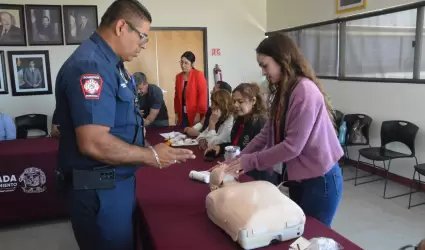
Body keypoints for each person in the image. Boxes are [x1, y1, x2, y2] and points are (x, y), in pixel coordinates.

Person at [54, 1, 195, 250]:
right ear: (121, 27)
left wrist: (147, 147)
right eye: (142, 36)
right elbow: (93, 142)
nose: (144, 44)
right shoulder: (91, 66)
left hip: (114, 183)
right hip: (100, 188)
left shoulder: (113, 65)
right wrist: (149, 155)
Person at [219, 34, 344, 227]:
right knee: (294, 234)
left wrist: (249, 161)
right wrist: (240, 158)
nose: (263, 72)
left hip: (321, 182)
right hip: (299, 179)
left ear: (282, 60)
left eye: (265, 65)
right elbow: (266, 133)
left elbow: (292, 147)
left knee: (311, 237)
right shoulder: (285, 90)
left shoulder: (304, 91)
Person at [205, 83, 273, 182]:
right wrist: (220, 147)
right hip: (239, 168)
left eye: (240, 102)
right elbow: (237, 146)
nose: (235, 105)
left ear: (253, 101)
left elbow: (258, 154)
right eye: (234, 101)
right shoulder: (240, 119)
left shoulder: (261, 122)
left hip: (256, 176)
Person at [174, 51, 207, 128]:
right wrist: (176, 113)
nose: (183, 65)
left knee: (193, 134)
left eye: (186, 63)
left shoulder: (199, 75)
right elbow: (176, 97)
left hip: (195, 112)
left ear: (192, 64)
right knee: (182, 133)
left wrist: (198, 114)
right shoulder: (178, 77)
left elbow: (202, 96)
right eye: (181, 62)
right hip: (182, 112)